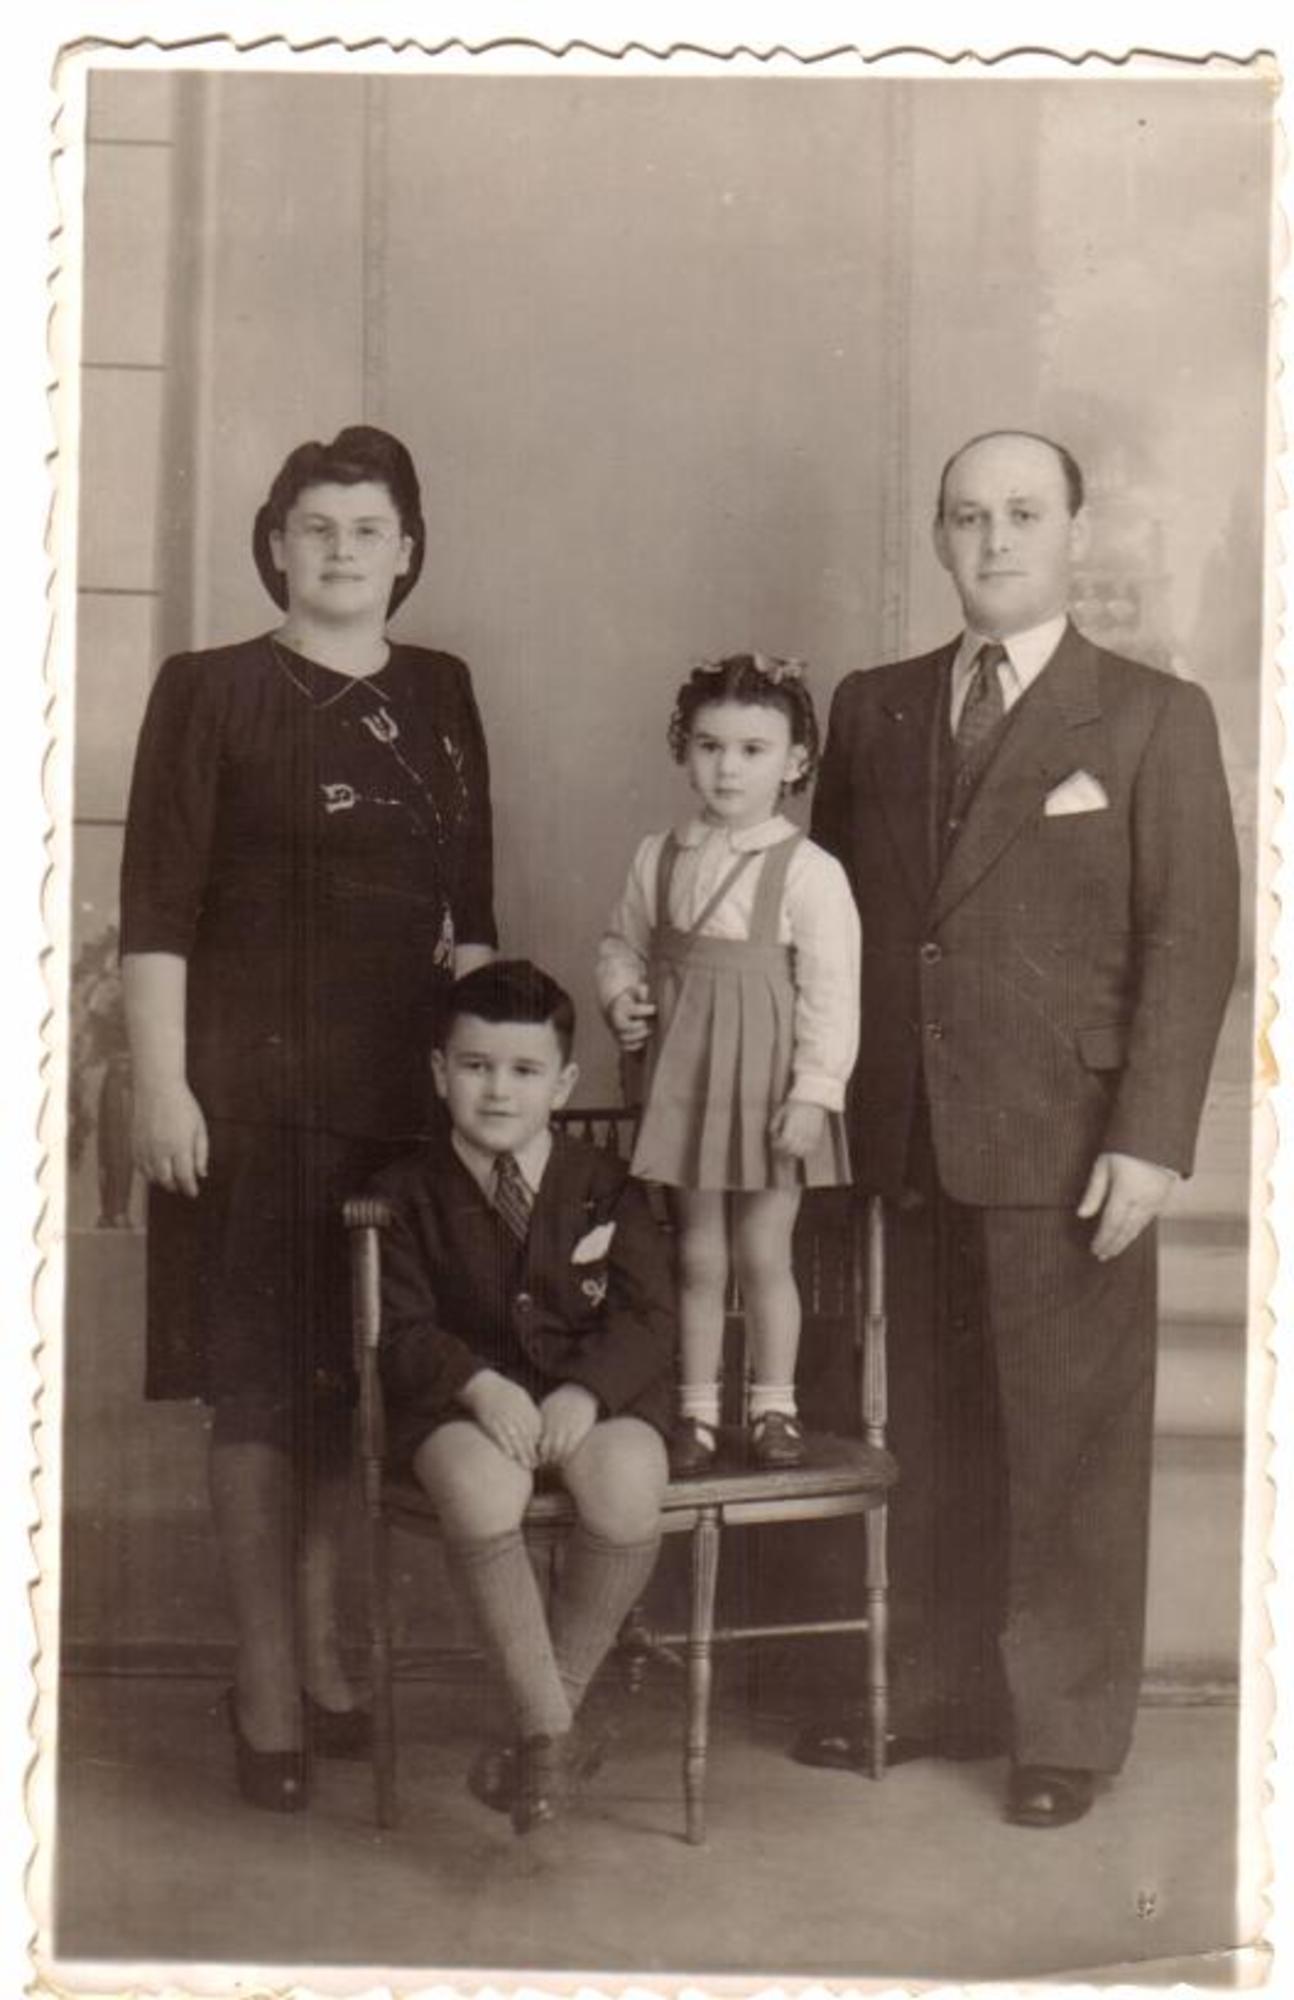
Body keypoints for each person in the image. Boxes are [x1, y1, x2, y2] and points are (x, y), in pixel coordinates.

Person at [794, 429, 1240, 1828]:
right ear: (939, 537)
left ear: (1071, 532)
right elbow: (822, 918)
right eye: (967, 515)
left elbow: (1192, 938)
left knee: (1067, 1446)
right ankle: (930, 1691)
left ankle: (1062, 1731)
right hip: (900, 1135)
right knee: (919, 1428)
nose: (993, 539)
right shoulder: (871, 707)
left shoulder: (1153, 715)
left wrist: (1149, 1137)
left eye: (1022, 514)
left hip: (1069, 1139)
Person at [120, 425, 497, 1811]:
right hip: (248, 1094)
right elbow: (155, 910)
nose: (342, 551)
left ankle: (329, 1656)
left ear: (408, 550)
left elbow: (473, 912)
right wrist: (162, 1082)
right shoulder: (209, 688)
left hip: (399, 1099)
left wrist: (479, 1097)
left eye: (368, 528)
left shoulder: (442, 689)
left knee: (362, 1378)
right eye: (317, 527)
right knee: (263, 1382)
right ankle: (267, 1683)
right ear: (276, 543)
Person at [372, 959, 675, 1838]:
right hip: (461, 1401)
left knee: (628, 1483)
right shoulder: (404, 1193)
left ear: (564, 1083)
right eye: (476, 1066)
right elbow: (400, 1329)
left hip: (594, 1395)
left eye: (524, 1070)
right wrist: (477, 1384)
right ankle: (551, 1733)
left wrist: (587, 1390)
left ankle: (544, 1731)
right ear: (440, 1072)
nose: (498, 1090)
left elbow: (651, 1316)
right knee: (481, 1488)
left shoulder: (606, 1182)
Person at [597, 653, 861, 1477]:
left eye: (753, 750)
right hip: (686, 1083)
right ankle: (698, 1412)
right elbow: (621, 943)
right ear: (685, 750)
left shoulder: (810, 872)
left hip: (767, 1088)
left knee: (764, 1253)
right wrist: (620, 995)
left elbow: (832, 992)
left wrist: (814, 1094)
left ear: (795, 761)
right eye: (710, 746)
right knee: (697, 1254)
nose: (728, 768)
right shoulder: (659, 855)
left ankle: (775, 1406)